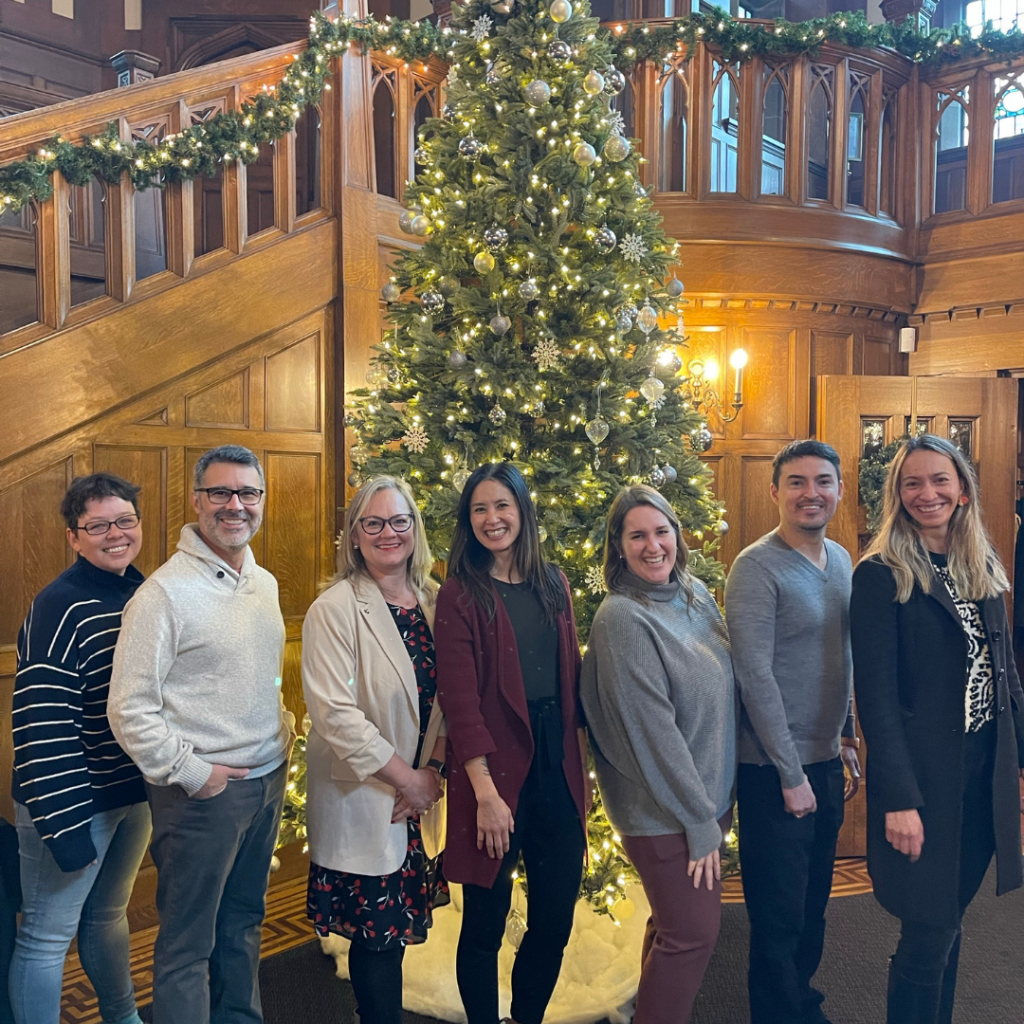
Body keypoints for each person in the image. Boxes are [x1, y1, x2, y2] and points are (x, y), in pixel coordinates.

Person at [108, 445, 294, 1024]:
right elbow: (129, 709)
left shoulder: (263, 583)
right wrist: (194, 773)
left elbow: (260, 675)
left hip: (266, 782)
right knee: (188, 947)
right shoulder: (162, 595)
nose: (235, 505)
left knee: (243, 924)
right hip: (202, 796)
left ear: (262, 500)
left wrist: (282, 730)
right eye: (220, 492)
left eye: (248, 493)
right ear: (196, 500)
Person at [850, 433, 1024, 1024]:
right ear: (897, 495)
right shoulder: (880, 574)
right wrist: (898, 799)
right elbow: (875, 699)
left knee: (949, 922)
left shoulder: (981, 563)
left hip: (981, 774)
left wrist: (1017, 763)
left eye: (940, 480)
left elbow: (1004, 673)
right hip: (924, 782)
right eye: (913, 483)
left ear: (963, 490)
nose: (927, 493)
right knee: (927, 932)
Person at [434, 463, 588, 1024]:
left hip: (557, 769)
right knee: (484, 924)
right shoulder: (459, 594)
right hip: (493, 775)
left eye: (502, 505)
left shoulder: (554, 583)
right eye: (479, 508)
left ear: (522, 510)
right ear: (468, 520)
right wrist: (486, 796)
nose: (492, 518)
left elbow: (571, 679)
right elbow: (460, 704)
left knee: (554, 920)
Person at [581, 485, 736, 1024]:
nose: (653, 546)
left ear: (677, 535)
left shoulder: (695, 594)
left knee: (672, 928)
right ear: (618, 547)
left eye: (661, 531)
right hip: (662, 813)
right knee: (692, 935)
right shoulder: (622, 618)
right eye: (637, 536)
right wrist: (698, 820)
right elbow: (652, 734)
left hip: (704, 801)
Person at [724, 439, 861, 1024]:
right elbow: (754, 676)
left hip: (824, 761)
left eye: (822, 481)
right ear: (774, 491)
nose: (812, 493)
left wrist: (847, 734)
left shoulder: (843, 560)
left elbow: (842, 655)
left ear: (839, 490)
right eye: (797, 482)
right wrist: (789, 773)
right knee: (778, 918)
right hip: (773, 771)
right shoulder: (756, 567)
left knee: (811, 908)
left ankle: (802, 1004)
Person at [302, 475, 448, 1024]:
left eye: (399, 520)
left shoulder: (435, 600)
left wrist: (433, 771)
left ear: (415, 528)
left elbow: (453, 699)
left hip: (418, 795)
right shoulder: (334, 608)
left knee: (396, 933)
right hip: (369, 796)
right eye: (374, 522)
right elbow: (335, 716)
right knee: (377, 940)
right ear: (354, 535)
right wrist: (410, 781)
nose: (389, 532)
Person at [8, 473, 150, 1024]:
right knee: (46, 938)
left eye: (124, 520)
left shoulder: (140, 593)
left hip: (130, 794)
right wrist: (64, 827)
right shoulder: (58, 606)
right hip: (72, 804)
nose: (115, 534)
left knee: (108, 917)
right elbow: (41, 726)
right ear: (74, 537)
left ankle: (124, 1018)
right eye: (98, 526)